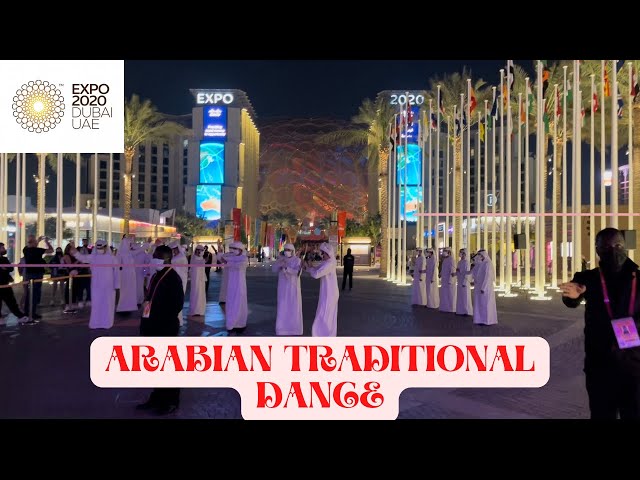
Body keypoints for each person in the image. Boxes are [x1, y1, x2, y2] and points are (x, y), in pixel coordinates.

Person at [560, 227, 640, 419]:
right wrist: (572, 296)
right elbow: (572, 298)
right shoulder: (588, 278)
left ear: (625, 247)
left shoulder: (639, 278)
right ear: (598, 251)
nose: (613, 250)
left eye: (617, 245)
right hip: (600, 365)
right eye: (606, 247)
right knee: (601, 415)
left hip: (634, 366)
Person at [136, 245, 184, 415]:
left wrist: (159, 321)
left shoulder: (173, 279)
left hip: (165, 328)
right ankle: (157, 397)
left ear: (166, 259)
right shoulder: (157, 275)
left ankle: (170, 401)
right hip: (152, 326)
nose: (153, 260)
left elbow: (176, 305)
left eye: (156, 257)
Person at [70, 239, 121, 329]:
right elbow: (81, 257)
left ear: (106, 247)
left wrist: (116, 285)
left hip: (109, 285)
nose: (99, 249)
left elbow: (116, 272)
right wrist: (73, 248)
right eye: (98, 247)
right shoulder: (93, 257)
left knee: (108, 304)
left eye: (101, 247)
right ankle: (96, 323)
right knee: (97, 303)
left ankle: (106, 323)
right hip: (96, 285)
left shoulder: (112, 258)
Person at [304, 242, 339, 337]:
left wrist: (309, 268)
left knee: (325, 313)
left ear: (328, 253)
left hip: (330, 293)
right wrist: (309, 267)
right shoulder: (328, 262)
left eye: (323, 253)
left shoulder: (330, 263)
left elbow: (316, 274)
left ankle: (323, 334)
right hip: (328, 292)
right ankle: (326, 334)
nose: (321, 255)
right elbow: (316, 268)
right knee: (326, 313)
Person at [272, 243, 303, 335]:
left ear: (292, 251)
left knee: (293, 306)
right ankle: (282, 328)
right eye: (285, 250)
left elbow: (297, 272)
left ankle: (294, 329)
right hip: (282, 287)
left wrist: (287, 268)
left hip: (293, 288)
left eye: (288, 250)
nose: (286, 252)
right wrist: (280, 265)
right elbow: (274, 269)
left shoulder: (297, 260)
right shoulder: (281, 259)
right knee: (283, 305)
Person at [219, 241, 248, 335]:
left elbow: (238, 266)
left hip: (240, 285)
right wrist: (220, 251)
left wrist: (228, 262)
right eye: (232, 249)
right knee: (231, 303)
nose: (233, 251)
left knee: (239, 303)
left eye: (235, 249)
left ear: (240, 250)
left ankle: (240, 324)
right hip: (231, 285)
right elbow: (222, 259)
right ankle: (231, 324)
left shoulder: (244, 258)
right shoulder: (230, 257)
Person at [22, 234, 54, 320]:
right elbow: (51, 250)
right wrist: (47, 242)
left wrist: (37, 240)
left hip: (29, 274)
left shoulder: (25, 250)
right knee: (35, 293)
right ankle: (32, 313)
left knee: (29, 293)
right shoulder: (38, 250)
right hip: (37, 274)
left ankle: (27, 312)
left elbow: (31, 245)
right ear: (34, 242)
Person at [0, 242, 30, 325]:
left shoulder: (4, 259)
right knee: (10, 301)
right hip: (2, 284)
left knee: (11, 301)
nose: (4, 249)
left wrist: (4, 268)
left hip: (5, 284)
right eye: (2, 248)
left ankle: (20, 316)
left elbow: (10, 268)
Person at [471, 249, 497, 326]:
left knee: (486, 304)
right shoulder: (481, 263)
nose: (478, 256)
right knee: (480, 304)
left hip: (486, 288)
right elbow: (477, 274)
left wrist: (483, 288)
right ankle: (481, 319)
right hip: (479, 287)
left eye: (480, 255)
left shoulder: (488, 264)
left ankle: (487, 320)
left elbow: (488, 277)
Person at [116, 235, 139, 313]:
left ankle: (129, 306)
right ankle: (123, 306)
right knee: (125, 291)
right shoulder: (122, 254)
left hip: (129, 275)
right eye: (129, 244)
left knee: (129, 290)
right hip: (125, 275)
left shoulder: (128, 253)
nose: (130, 245)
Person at [169, 240, 188, 326]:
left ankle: (178, 321)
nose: (173, 251)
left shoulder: (180, 257)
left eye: (174, 250)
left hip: (181, 281)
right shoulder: (176, 256)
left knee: (178, 300)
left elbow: (171, 262)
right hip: (175, 281)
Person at [131, 240, 151, 306]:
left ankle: (134, 300)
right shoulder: (143, 254)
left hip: (132, 273)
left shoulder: (130, 253)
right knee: (139, 286)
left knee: (134, 286)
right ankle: (139, 300)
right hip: (140, 273)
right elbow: (147, 263)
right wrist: (146, 272)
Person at [62, 243, 81, 314]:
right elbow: (70, 266)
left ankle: (72, 304)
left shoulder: (74, 256)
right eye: (72, 248)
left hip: (76, 275)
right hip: (69, 274)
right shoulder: (67, 256)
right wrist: (78, 261)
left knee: (75, 289)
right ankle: (68, 304)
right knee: (69, 289)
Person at [188, 244, 207, 317]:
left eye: (202, 251)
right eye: (200, 250)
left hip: (201, 280)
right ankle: (195, 310)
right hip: (196, 280)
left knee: (201, 294)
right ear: (197, 251)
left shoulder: (201, 258)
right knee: (196, 293)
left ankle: (200, 310)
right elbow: (197, 264)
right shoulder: (193, 258)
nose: (201, 252)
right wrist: (204, 261)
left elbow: (202, 269)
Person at [455, 248, 473, 317]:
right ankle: (460, 310)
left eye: (461, 252)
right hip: (459, 281)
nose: (459, 254)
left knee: (466, 297)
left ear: (464, 254)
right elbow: (459, 272)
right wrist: (456, 273)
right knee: (460, 296)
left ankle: (467, 311)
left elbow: (467, 274)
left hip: (464, 283)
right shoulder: (459, 262)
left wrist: (464, 283)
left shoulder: (467, 262)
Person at [439, 247, 456, 313]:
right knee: (444, 294)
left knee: (450, 295)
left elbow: (452, 271)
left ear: (449, 252)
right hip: (444, 280)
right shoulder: (445, 260)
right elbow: (443, 269)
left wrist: (450, 281)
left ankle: (451, 308)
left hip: (449, 281)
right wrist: (440, 274)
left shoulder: (451, 260)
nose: (444, 252)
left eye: (445, 251)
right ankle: (445, 308)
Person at [75, 239, 92, 308]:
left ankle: (88, 300)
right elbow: (78, 258)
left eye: (86, 241)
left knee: (88, 287)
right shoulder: (79, 249)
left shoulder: (91, 249)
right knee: (80, 287)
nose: (85, 242)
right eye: (84, 241)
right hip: (81, 270)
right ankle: (80, 300)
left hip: (88, 270)